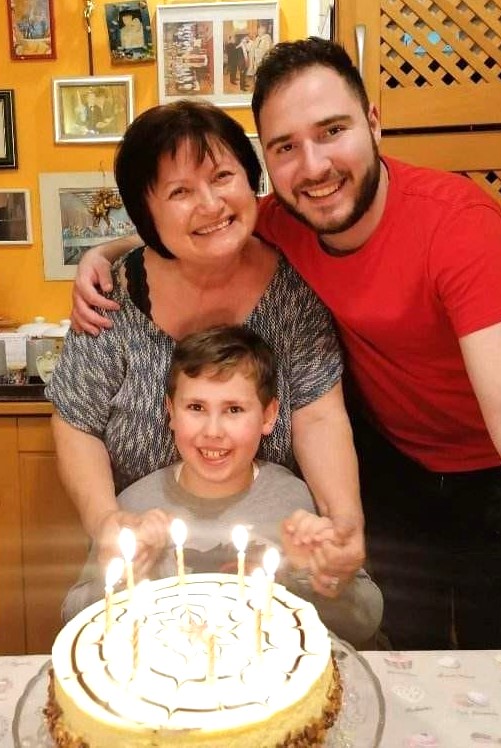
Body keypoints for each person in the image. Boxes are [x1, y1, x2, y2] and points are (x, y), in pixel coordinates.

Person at [71, 38, 501, 651]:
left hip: (500, 464)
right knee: (404, 643)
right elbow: (197, 228)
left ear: (374, 122)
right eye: (286, 147)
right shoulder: (283, 219)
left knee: (498, 648)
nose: (314, 167)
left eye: (333, 131)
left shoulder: (453, 225)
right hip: (393, 461)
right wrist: (102, 253)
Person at [47, 99, 364, 604]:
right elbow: (75, 419)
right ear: (146, 213)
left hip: (265, 581)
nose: (211, 204)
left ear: (251, 179)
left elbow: (319, 414)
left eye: (222, 177)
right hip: (146, 577)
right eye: (180, 191)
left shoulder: (294, 286)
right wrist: (106, 521)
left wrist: (343, 523)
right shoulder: (111, 296)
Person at [62, 325, 383, 647]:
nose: (213, 431)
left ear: (268, 415)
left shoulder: (297, 503)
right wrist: (123, 577)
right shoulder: (135, 505)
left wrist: (311, 575)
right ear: (171, 411)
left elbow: (365, 619)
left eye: (234, 410)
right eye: (196, 408)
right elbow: (73, 617)